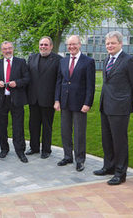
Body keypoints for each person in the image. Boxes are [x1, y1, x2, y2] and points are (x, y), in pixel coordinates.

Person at [94, 31, 133, 185]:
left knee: (119, 141)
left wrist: (125, 101)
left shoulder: (129, 61)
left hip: (120, 108)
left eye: (113, 43)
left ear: (120, 43)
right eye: (107, 43)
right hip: (106, 105)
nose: (110, 46)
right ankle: (109, 166)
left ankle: (120, 173)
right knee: (107, 139)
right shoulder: (108, 58)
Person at [54, 35, 95, 172]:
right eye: (69, 45)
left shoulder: (88, 61)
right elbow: (59, 82)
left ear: (80, 45)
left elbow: (90, 85)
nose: (71, 47)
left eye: (74, 44)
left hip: (80, 103)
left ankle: (79, 160)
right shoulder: (63, 61)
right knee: (65, 131)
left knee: (79, 133)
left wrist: (87, 103)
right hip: (64, 102)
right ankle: (67, 156)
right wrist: (57, 100)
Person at [0, 41, 30, 163]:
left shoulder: (21, 62)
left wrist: (16, 83)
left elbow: (27, 79)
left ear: (13, 49)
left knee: (18, 127)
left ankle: (20, 151)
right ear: (1, 51)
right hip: (1, 100)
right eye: (5, 49)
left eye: (9, 48)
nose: (7, 51)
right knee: (2, 127)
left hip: (16, 99)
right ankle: (4, 149)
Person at [26, 36, 62, 159]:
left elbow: (59, 81)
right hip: (33, 99)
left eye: (46, 45)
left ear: (51, 46)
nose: (43, 47)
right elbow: (28, 78)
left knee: (47, 126)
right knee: (33, 125)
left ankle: (46, 150)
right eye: (41, 44)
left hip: (48, 99)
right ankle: (34, 147)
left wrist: (57, 99)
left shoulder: (58, 60)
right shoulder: (32, 58)